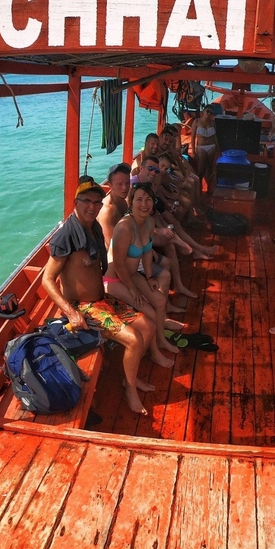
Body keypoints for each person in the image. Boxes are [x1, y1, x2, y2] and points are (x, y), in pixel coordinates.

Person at [41, 181, 157, 415]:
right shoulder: (66, 236)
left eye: (97, 202)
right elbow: (47, 279)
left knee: (149, 325)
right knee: (134, 340)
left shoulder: (92, 227)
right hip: (83, 307)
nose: (92, 207)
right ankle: (130, 391)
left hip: (101, 299)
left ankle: (130, 377)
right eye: (86, 201)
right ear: (76, 203)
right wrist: (71, 313)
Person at [104, 183, 182, 368]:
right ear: (131, 203)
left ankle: (161, 340)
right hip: (115, 280)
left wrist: (149, 277)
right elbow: (119, 264)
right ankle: (154, 353)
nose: (144, 204)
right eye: (139, 199)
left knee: (160, 301)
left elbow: (147, 252)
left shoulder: (149, 222)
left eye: (148, 199)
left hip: (132, 275)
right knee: (151, 313)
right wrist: (133, 290)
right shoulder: (124, 227)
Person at [97, 162, 131, 247]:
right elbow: (111, 245)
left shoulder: (122, 200)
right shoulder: (107, 211)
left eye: (127, 183)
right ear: (110, 185)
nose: (124, 188)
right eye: (120, 184)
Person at [190, 106, 219, 195]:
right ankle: (199, 189)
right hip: (201, 147)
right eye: (208, 111)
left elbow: (215, 137)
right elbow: (192, 137)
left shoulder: (212, 122)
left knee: (210, 168)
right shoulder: (196, 122)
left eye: (211, 113)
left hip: (211, 146)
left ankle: (209, 189)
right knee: (201, 169)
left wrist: (218, 149)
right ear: (204, 111)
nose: (209, 114)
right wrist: (193, 151)